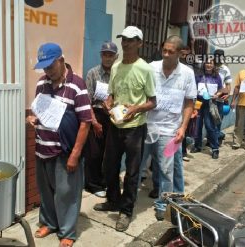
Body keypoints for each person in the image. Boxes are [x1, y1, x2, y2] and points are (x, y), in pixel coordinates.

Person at [26, 43, 91, 247]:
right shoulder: (42, 83)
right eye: (44, 67)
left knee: (66, 193)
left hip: (64, 150)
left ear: (61, 61)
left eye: (50, 66)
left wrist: (75, 154)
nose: (47, 71)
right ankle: (49, 223)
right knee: (46, 191)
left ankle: (68, 232)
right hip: (42, 147)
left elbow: (86, 122)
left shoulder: (77, 85)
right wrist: (32, 118)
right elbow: (40, 111)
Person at [92, 26, 156, 232]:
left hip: (135, 128)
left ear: (140, 43)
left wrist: (137, 108)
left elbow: (153, 102)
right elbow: (111, 94)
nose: (126, 43)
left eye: (131, 40)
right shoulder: (117, 67)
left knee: (132, 172)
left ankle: (126, 211)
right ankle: (113, 199)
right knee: (109, 167)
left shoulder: (145, 69)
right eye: (124, 39)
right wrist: (108, 103)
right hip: (115, 126)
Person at [141, 35, 197, 221]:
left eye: (170, 52)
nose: (165, 54)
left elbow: (189, 102)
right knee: (138, 166)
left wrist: (183, 127)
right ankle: (130, 199)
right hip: (147, 127)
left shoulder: (187, 74)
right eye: (164, 50)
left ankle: (162, 204)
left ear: (180, 53)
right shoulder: (151, 68)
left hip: (170, 131)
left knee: (166, 170)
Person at [84, 41, 118, 198]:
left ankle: (105, 181)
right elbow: (87, 101)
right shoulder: (92, 73)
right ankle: (93, 184)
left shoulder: (118, 74)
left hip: (113, 116)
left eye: (110, 55)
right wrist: (95, 123)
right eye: (105, 54)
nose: (107, 58)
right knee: (94, 152)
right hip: (96, 114)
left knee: (110, 152)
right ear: (101, 55)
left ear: (116, 57)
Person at [190, 59, 223, 159]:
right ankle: (197, 146)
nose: (208, 65)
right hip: (199, 103)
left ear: (213, 65)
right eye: (207, 63)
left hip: (210, 103)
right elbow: (193, 88)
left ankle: (215, 148)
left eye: (211, 63)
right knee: (198, 126)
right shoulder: (198, 76)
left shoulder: (217, 76)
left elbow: (221, 89)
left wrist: (216, 95)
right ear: (204, 64)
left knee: (210, 126)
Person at [214, 49, 232, 145]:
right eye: (216, 56)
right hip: (209, 98)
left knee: (218, 119)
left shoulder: (225, 69)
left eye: (220, 56)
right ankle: (211, 139)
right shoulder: (210, 66)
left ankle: (216, 139)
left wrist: (228, 94)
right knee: (208, 120)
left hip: (220, 98)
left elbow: (228, 84)